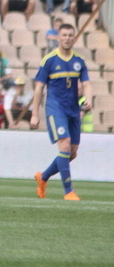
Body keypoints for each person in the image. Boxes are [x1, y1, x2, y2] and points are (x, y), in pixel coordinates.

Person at [31, 23, 91, 200]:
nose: (67, 38)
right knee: (64, 145)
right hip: (55, 108)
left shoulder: (79, 61)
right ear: (58, 38)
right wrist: (35, 113)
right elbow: (39, 88)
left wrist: (88, 98)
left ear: (74, 38)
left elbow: (86, 84)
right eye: (64, 35)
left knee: (71, 153)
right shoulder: (49, 60)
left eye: (70, 35)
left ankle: (43, 177)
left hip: (73, 109)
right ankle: (68, 191)